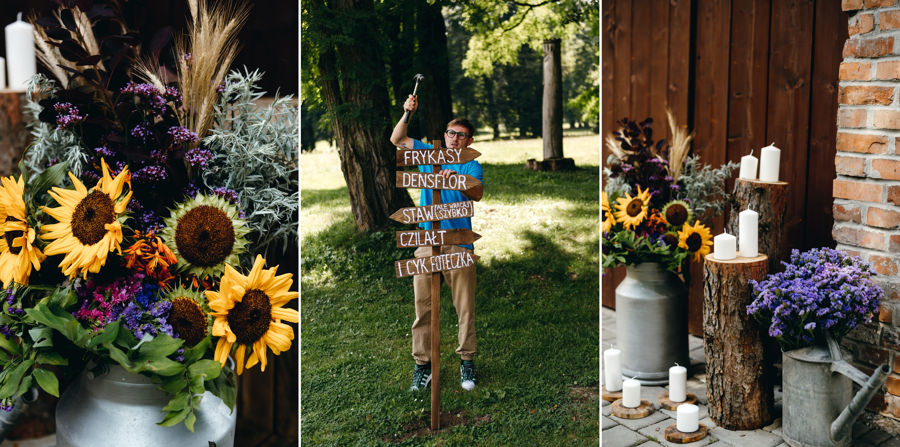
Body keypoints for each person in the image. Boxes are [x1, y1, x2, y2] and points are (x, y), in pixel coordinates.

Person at [390, 94, 483, 392]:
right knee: (423, 307)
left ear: (469, 141)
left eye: (462, 135)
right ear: (444, 135)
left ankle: (467, 362)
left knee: (464, 307)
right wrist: (407, 112)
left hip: (458, 243)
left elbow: (477, 192)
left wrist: (455, 176)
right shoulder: (428, 154)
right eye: (451, 133)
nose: (455, 138)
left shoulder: (471, 165)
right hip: (427, 241)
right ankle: (423, 366)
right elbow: (397, 139)